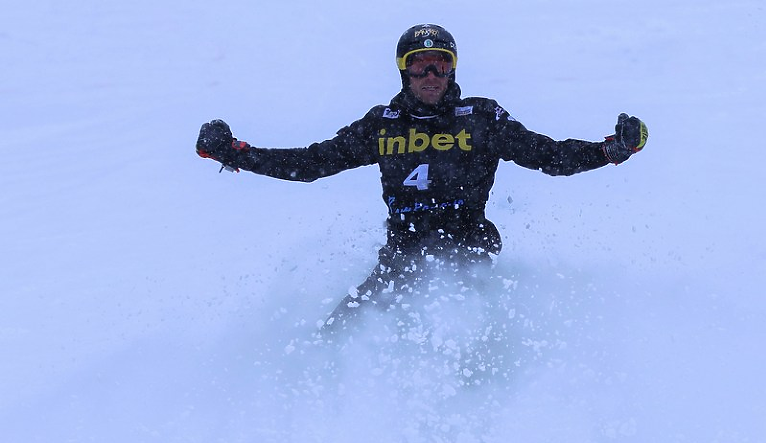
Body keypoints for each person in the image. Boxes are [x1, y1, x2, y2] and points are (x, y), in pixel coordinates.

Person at [196, 24, 647, 335]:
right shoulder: (383, 123)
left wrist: (612, 150)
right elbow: (312, 164)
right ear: (404, 70)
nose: (431, 76)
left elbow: (548, 156)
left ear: (453, 69)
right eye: (420, 65)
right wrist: (236, 153)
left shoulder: (482, 117)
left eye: (440, 64)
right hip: (403, 257)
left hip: (469, 250)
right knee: (338, 335)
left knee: (477, 335)